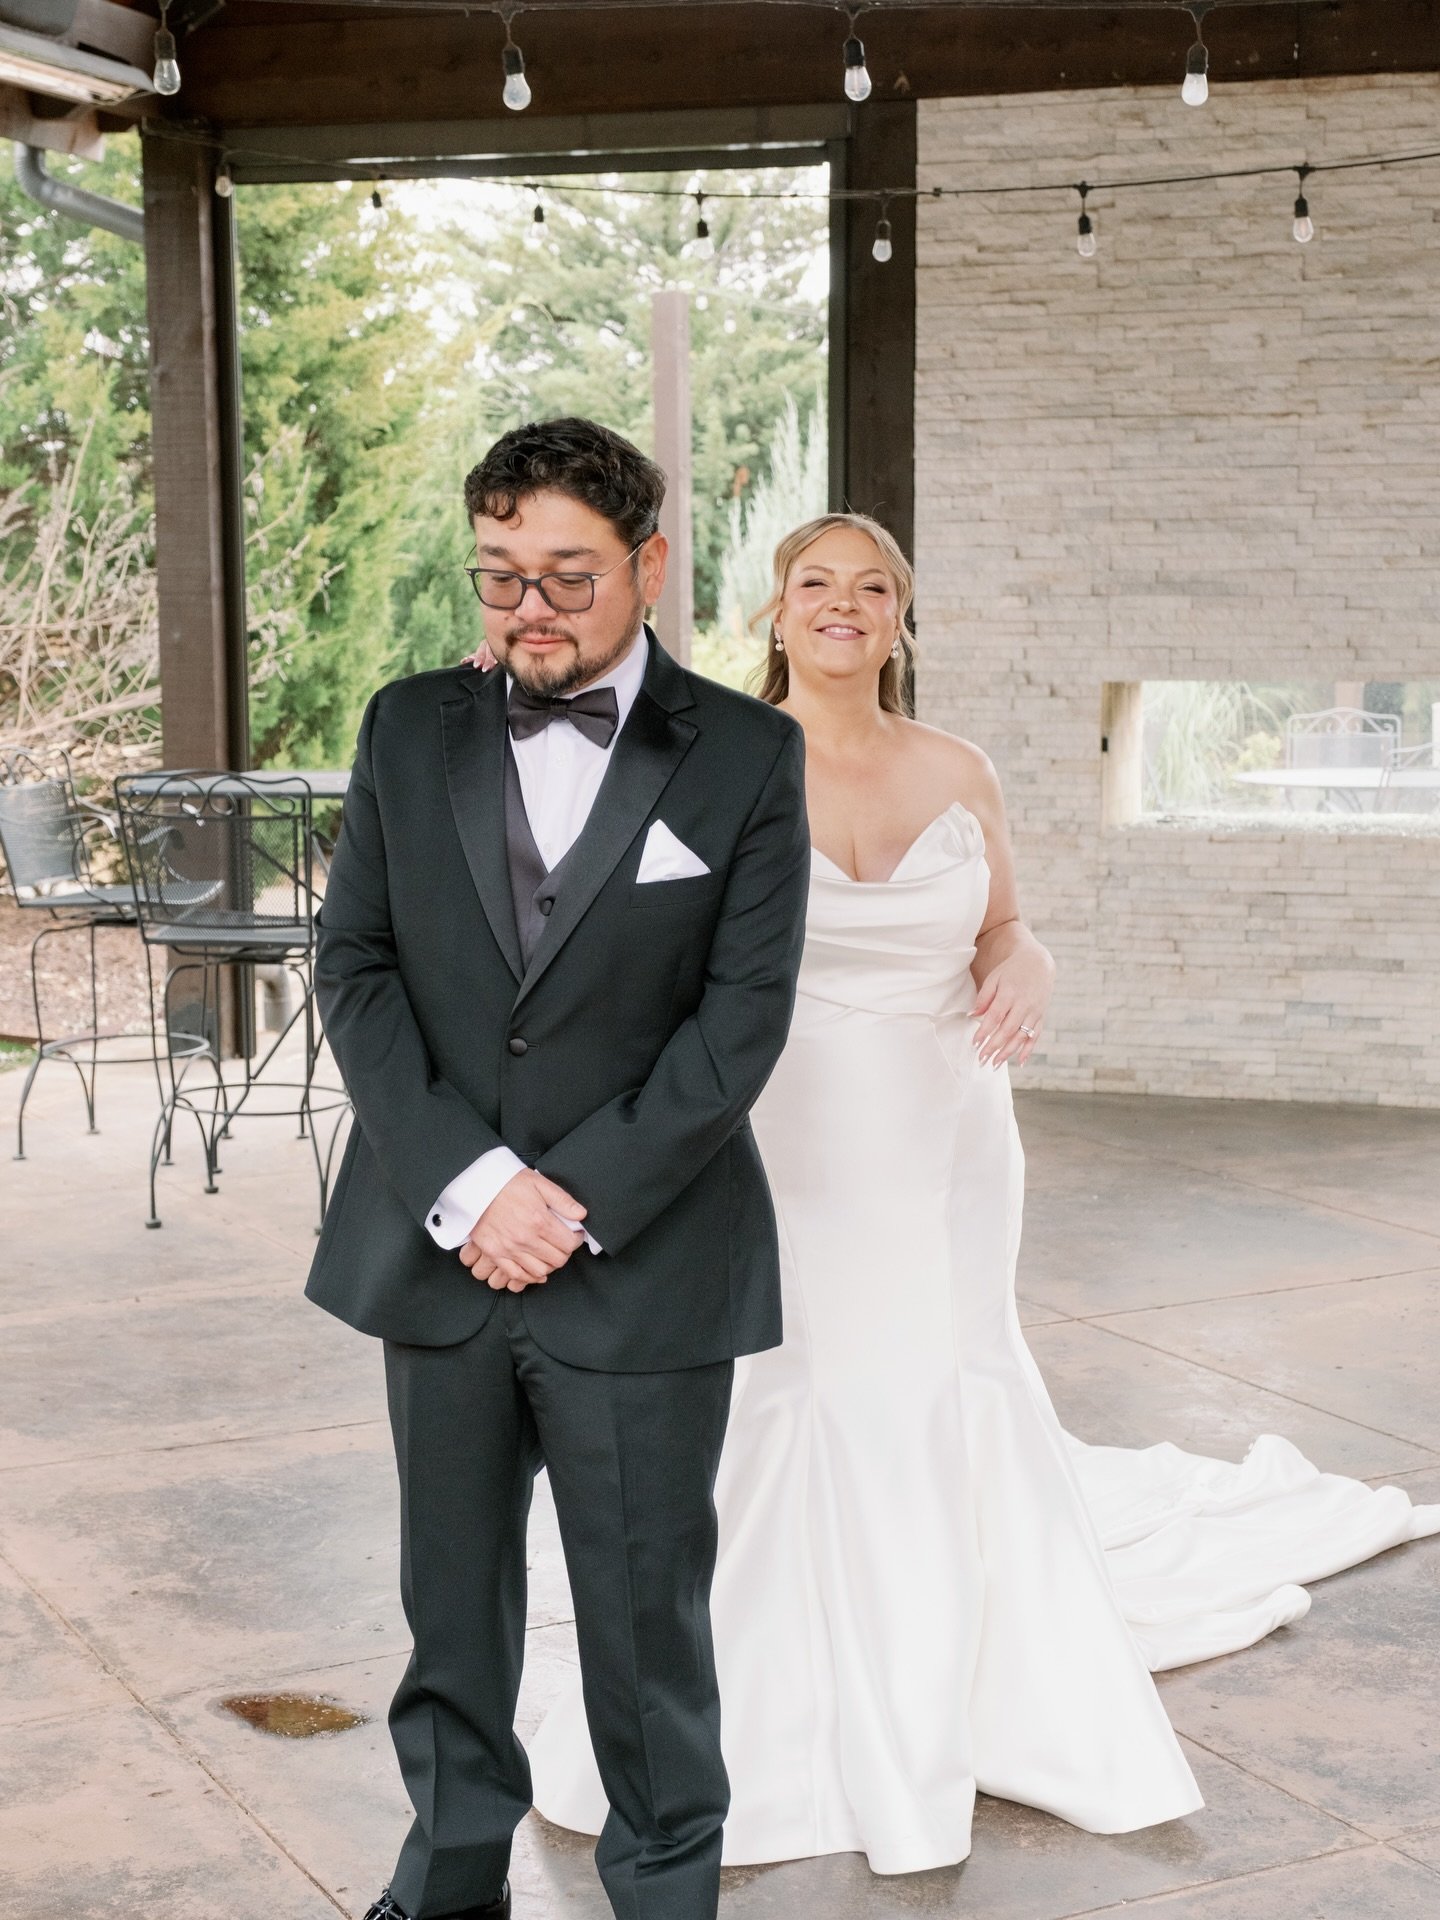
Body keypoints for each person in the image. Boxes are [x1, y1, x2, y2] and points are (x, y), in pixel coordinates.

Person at [525, 512, 1440, 1874]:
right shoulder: (705, 756)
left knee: (944, 1374)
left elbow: (1004, 925)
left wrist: (1034, 968)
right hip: (783, 1125)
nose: (845, 604)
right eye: (816, 583)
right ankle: (767, 1691)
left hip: (949, 1126)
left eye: (873, 586)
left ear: (903, 618)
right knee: (800, 1378)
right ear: (776, 612)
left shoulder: (960, 767)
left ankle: (967, 1663)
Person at [307, 416, 810, 1920]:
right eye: (498, 577)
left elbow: (740, 1026)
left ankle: (664, 1894)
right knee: (447, 1612)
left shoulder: (748, 755)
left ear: (651, 564)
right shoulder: (408, 726)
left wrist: (566, 1201)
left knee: (646, 1626)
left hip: (643, 1269)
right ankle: (451, 1877)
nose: (529, 611)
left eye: (569, 578)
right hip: (438, 1252)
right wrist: (474, 1186)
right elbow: (358, 969)